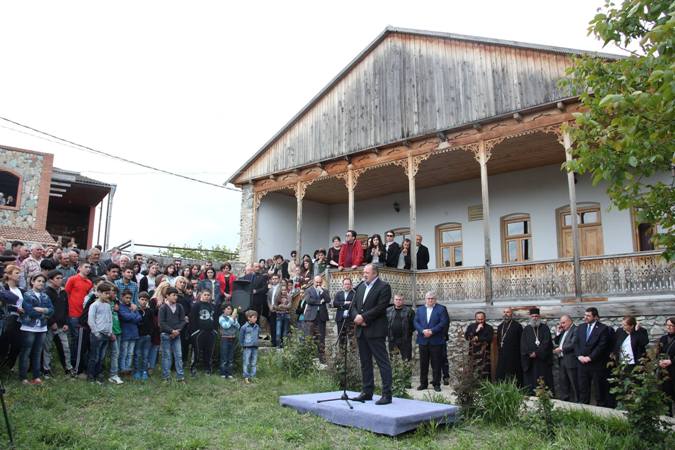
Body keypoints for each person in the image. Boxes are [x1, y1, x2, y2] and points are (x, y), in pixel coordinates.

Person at [351, 264, 393, 405]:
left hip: (375, 330)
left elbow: (381, 307)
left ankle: (386, 394)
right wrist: (356, 316)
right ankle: (367, 392)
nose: (364, 274)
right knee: (365, 363)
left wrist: (364, 318)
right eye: (363, 272)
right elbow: (353, 306)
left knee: (382, 363)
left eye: (367, 272)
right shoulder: (360, 287)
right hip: (361, 330)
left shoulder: (384, 287)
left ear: (375, 273)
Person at [19, 274, 53, 384]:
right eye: (39, 281)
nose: (41, 283)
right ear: (32, 282)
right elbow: (30, 311)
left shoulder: (45, 296)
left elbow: (52, 310)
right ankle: (23, 377)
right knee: (26, 352)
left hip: (42, 328)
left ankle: (36, 376)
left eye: (43, 281)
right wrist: (45, 313)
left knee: (38, 352)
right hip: (29, 327)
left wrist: (42, 310)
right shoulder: (27, 295)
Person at [575, 307, 611, 406]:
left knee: (598, 389)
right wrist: (579, 356)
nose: (585, 317)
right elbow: (576, 343)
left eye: (588, 316)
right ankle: (583, 407)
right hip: (582, 363)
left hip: (596, 364)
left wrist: (590, 357)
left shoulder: (603, 328)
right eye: (585, 315)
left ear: (595, 317)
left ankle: (600, 408)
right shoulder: (581, 327)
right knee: (583, 388)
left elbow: (601, 346)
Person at [414, 291, 448, 392]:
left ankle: (436, 384)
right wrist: (422, 331)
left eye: (432, 298)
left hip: (436, 340)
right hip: (423, 340)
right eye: (428, 298)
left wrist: (432, 331)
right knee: (423, 363)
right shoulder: (420, 309)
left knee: (436, 363)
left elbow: (443, 322)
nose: (430, 300)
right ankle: (423, 384)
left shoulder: (441, 309)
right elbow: (415, 322)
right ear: (425, 299)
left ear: (435, 299)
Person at [43, 270, 72, 377]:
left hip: (62, 325)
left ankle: (68, 368)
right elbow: (46, 309)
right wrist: (51, 322)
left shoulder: (63, 292)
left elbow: (66, 308)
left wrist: (66, 322)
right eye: (57, 278)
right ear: (51, 280)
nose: (60, 280)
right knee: (47, 348)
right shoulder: (47, 292)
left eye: (61, 278)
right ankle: (46, 369)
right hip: (50, 325)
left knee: (65, 347)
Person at [65, 262, 92, 373]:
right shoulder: (72, 279)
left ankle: (81, 363)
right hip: (73, 313)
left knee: (82, 340)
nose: (88, 269)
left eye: (89, 267)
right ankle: (73, 363)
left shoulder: (89, 282)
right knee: (75, 339)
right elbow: (66, 294)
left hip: (84, 315)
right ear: (80, 268)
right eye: (86, 267)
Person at [87, 281, 115, 384]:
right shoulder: (94, 305)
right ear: (99, 292)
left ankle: (98, 374)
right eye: (105, 293)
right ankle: (91, 376)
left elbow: (110, 319)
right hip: (97, 334)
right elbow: (91, 320)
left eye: (109, 293)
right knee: (94, 356)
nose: (107, 295)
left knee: (102, 357)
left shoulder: (107, 305)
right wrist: (96, 333)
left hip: (106, 334)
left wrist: (110, 332)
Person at [521, 307, 554, 394]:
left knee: (543, 379)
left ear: (539, 317)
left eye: (536, 316)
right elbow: (523, 344)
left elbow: (547, 343)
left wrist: (537, 353)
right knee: (531, 381)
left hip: (542, 361)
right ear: (530, 317)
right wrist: (529, 353)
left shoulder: (545, 328)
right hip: (530, 362)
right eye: (533, 316)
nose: (534, 318)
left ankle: (544, 395)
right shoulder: (526, 329)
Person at [158, 287, 187, 382]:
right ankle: (166, 377)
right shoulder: (163, 307)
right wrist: (171, 331)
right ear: (167, 296)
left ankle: (180, 377)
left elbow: (183, 320)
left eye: (176, 295)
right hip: (166, 335)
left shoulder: (179, 306)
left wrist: (177, 331)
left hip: (177, 335)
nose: (176, 297)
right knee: (167, 356)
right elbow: (161, 323)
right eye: (173, 295)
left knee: (179, 355)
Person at [0, 265, 24, 372]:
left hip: (19, 320)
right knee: (4, 344)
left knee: (17, 345)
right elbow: (3, 305)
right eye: (16, 273)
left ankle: (8, 366)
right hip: (6, 320)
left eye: (20, 273)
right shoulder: (3, 288)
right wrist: (16, 309)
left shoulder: (21, 290)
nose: (19, 275)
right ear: (9, 275)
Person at [302, 275, 330, 363]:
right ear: (313, 282)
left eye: (320, 282)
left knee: (321, 337)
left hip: (321, 316)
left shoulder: (324, 291)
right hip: (311, 316)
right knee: (309, 337)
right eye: (316, 282)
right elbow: (308, 300)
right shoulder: (308, 290)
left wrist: (322, 292)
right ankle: (308, 358)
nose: (318, 284)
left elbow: (328, 300)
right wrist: (319, 302)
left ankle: (322, 358)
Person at [190, 290, 217, 376]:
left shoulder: (213, 306)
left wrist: (215, 330)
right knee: (196, 351)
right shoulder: (196, 305)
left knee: (209, 351)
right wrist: (194, 331)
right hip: (199, 332)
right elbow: (192, 318)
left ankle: (208, 369)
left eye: (208, 295)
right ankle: (193, 368)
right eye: (205, 295)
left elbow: (215, 318)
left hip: (211, 332)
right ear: (201, 295)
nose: (206, 296)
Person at [553, 314, 579, 402]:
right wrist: (558, 333)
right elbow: (557, 342)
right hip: (562, 359)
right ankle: (565, 400)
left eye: (563, 323)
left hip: (571, 360)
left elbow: (573, 344)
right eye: (561, 323)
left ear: (569, 321)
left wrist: (561, 349)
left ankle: (578, 401)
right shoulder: (564, 331)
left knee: (574, 382)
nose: (561, 325)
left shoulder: (575, 329)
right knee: (563, 381)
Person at [495, 307, 523, 385]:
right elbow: (498, 341)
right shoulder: (500, 326)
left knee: (513, 376)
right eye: (504, 312)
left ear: (511, 314)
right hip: (502, 356)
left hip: (514, 356)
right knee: (501, 375)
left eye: (508, 312)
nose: (505, 314)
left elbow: (521, 341)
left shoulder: (517, 326)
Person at [118, 289, 142, 377]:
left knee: (130, 353)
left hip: (134, 333)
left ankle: (127, 369)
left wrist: (133, 315)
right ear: (122, 297)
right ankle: (122, 369)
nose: (128, 300)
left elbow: (139, 318)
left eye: (130, 298)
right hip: (125, 333)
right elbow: (125, 317)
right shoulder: (120, 307)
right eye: (126, 297)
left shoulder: (133, 306)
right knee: (124, 353)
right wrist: (133, 313)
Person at [465, 311, 494, 379]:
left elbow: (489, 339)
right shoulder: (471, 327)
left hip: (485, 354)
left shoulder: (489, 328)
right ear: (475, 319)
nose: (480, 321)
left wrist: (478, 338)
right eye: (478, 319)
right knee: (473, 372)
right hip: (473, 353)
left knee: (485, 373)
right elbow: (467, 337)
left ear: (485, 318)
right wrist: (476, 330)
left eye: (482, 319)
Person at [386, 294, 414, 361]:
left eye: (400, 300)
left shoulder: (409, 311)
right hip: (392, 340)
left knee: (407, 360)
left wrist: (408, 333)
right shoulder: (388, 311)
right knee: (393, 360)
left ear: (403, 301)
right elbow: (385, 323)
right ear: (394, 300)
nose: (398, 301)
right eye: (396, 299)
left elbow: (414, 324)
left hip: (405, 340)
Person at [133, 292, 153, 381]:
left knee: (145, 355)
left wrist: (150, 333)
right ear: (138, 300)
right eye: (142, 299)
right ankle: (137, 370)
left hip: (147, 336)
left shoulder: (150, 311)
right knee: (137, 354)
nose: (144, 301)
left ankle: (144, 371)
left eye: (146, 300)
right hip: (138, 336)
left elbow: (152, 323)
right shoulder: (136, 310)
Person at [658, 318, 675, 416]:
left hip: (674, 370)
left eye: (671, 325)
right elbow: (659, 352)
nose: (669, 327)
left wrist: (671, 361)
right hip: (665, 372)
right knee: (666, 396)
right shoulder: (663, 339)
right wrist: (660, 361)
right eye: (667, 325)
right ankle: (669, 418)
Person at [219, 304, 240, 378]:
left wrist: (234, 320)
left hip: (232, 338)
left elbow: (238, 326)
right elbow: (226, 326)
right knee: (224, 357)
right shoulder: (221, 317)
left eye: (231, 309)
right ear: (223, 310)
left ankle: (229, 373)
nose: (229, 310)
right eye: (228, 309)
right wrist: (232, 318)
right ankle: (223, 373)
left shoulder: (233, 317)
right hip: (225, 338)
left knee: (230, 357)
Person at [331, 278, 355, 344]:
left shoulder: (354, 294)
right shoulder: (339, 293)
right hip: (340, 319)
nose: (347, 285)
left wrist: (341, 305)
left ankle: (352, 351)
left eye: (348, 284)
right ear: (343, 285)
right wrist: (345, 303)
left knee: (352, 339)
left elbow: (353, 304)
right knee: (341, 339)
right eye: (345, 284)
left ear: (351, 285)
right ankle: (342, 350)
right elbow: (335, 304)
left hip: (351, 319)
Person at [240, 310, 260, 384]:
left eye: (256, 317)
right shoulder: (244, 327)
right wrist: (242, 346)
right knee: (246, 362)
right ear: (249, 318)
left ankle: (253, 376)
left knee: (254, 362)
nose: (255, 319)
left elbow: (257, 335)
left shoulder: (257, 326)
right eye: (254, 317)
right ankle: (246, 376)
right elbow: (241, 337)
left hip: (255, 347)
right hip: (247, 347)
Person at [274, 283, 291, 348]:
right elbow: (275, 307)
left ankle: (284, 345)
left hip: (286, 315)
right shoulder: (277, 297)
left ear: (287, 290)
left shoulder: (289, 296)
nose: (284, 291)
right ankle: (278, 345)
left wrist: (281, 306)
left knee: (285, 331)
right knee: (278, 331)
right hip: (279, 315)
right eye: (282, 290)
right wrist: (284, 307)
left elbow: (289, 306)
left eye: (285, 290)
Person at [266, 273, 281, 347]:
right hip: (271, 310)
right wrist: (270, 307)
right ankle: (273, 342)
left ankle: (279, 342)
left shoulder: (281, 288)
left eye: (276, 278)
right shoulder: (270, 289)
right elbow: (268, 299)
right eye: (273, 279)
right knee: (272, 326)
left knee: (278, 327)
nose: (274, 280)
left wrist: (276, 306)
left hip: (279, 310)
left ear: (278, 279)